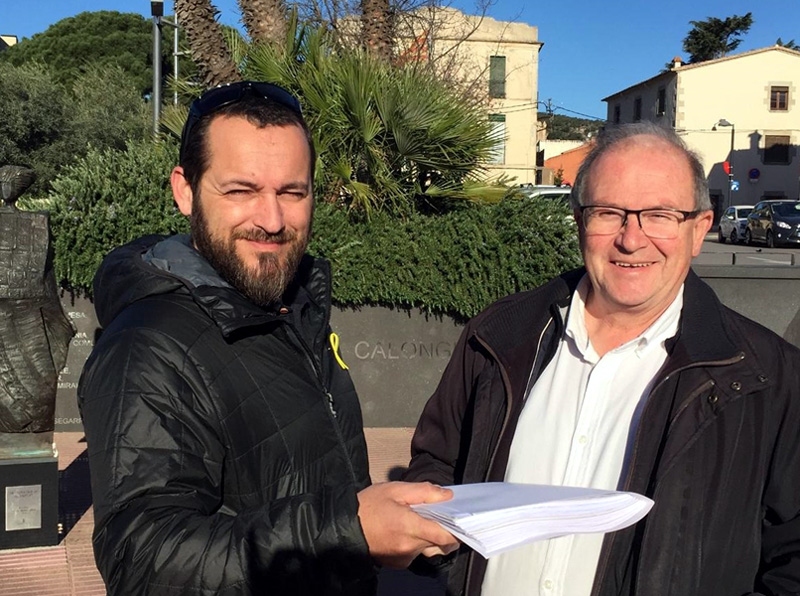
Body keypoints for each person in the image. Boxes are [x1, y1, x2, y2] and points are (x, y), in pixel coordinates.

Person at [78, 81, 457, 596]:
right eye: (241, 191)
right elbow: (142, 561)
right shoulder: (147, 347)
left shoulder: (292, 306)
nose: (272, 220)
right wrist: (348, 532)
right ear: (185, 191)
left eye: (292, 192)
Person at [401, 122, 800, 596]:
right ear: (578, 223)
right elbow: (437, 461)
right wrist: (440, 550)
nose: (632, 240)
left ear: (699, 230)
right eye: (609, 212)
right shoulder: (497, 336)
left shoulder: (767, 378)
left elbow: (791, 556)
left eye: (660, 215)